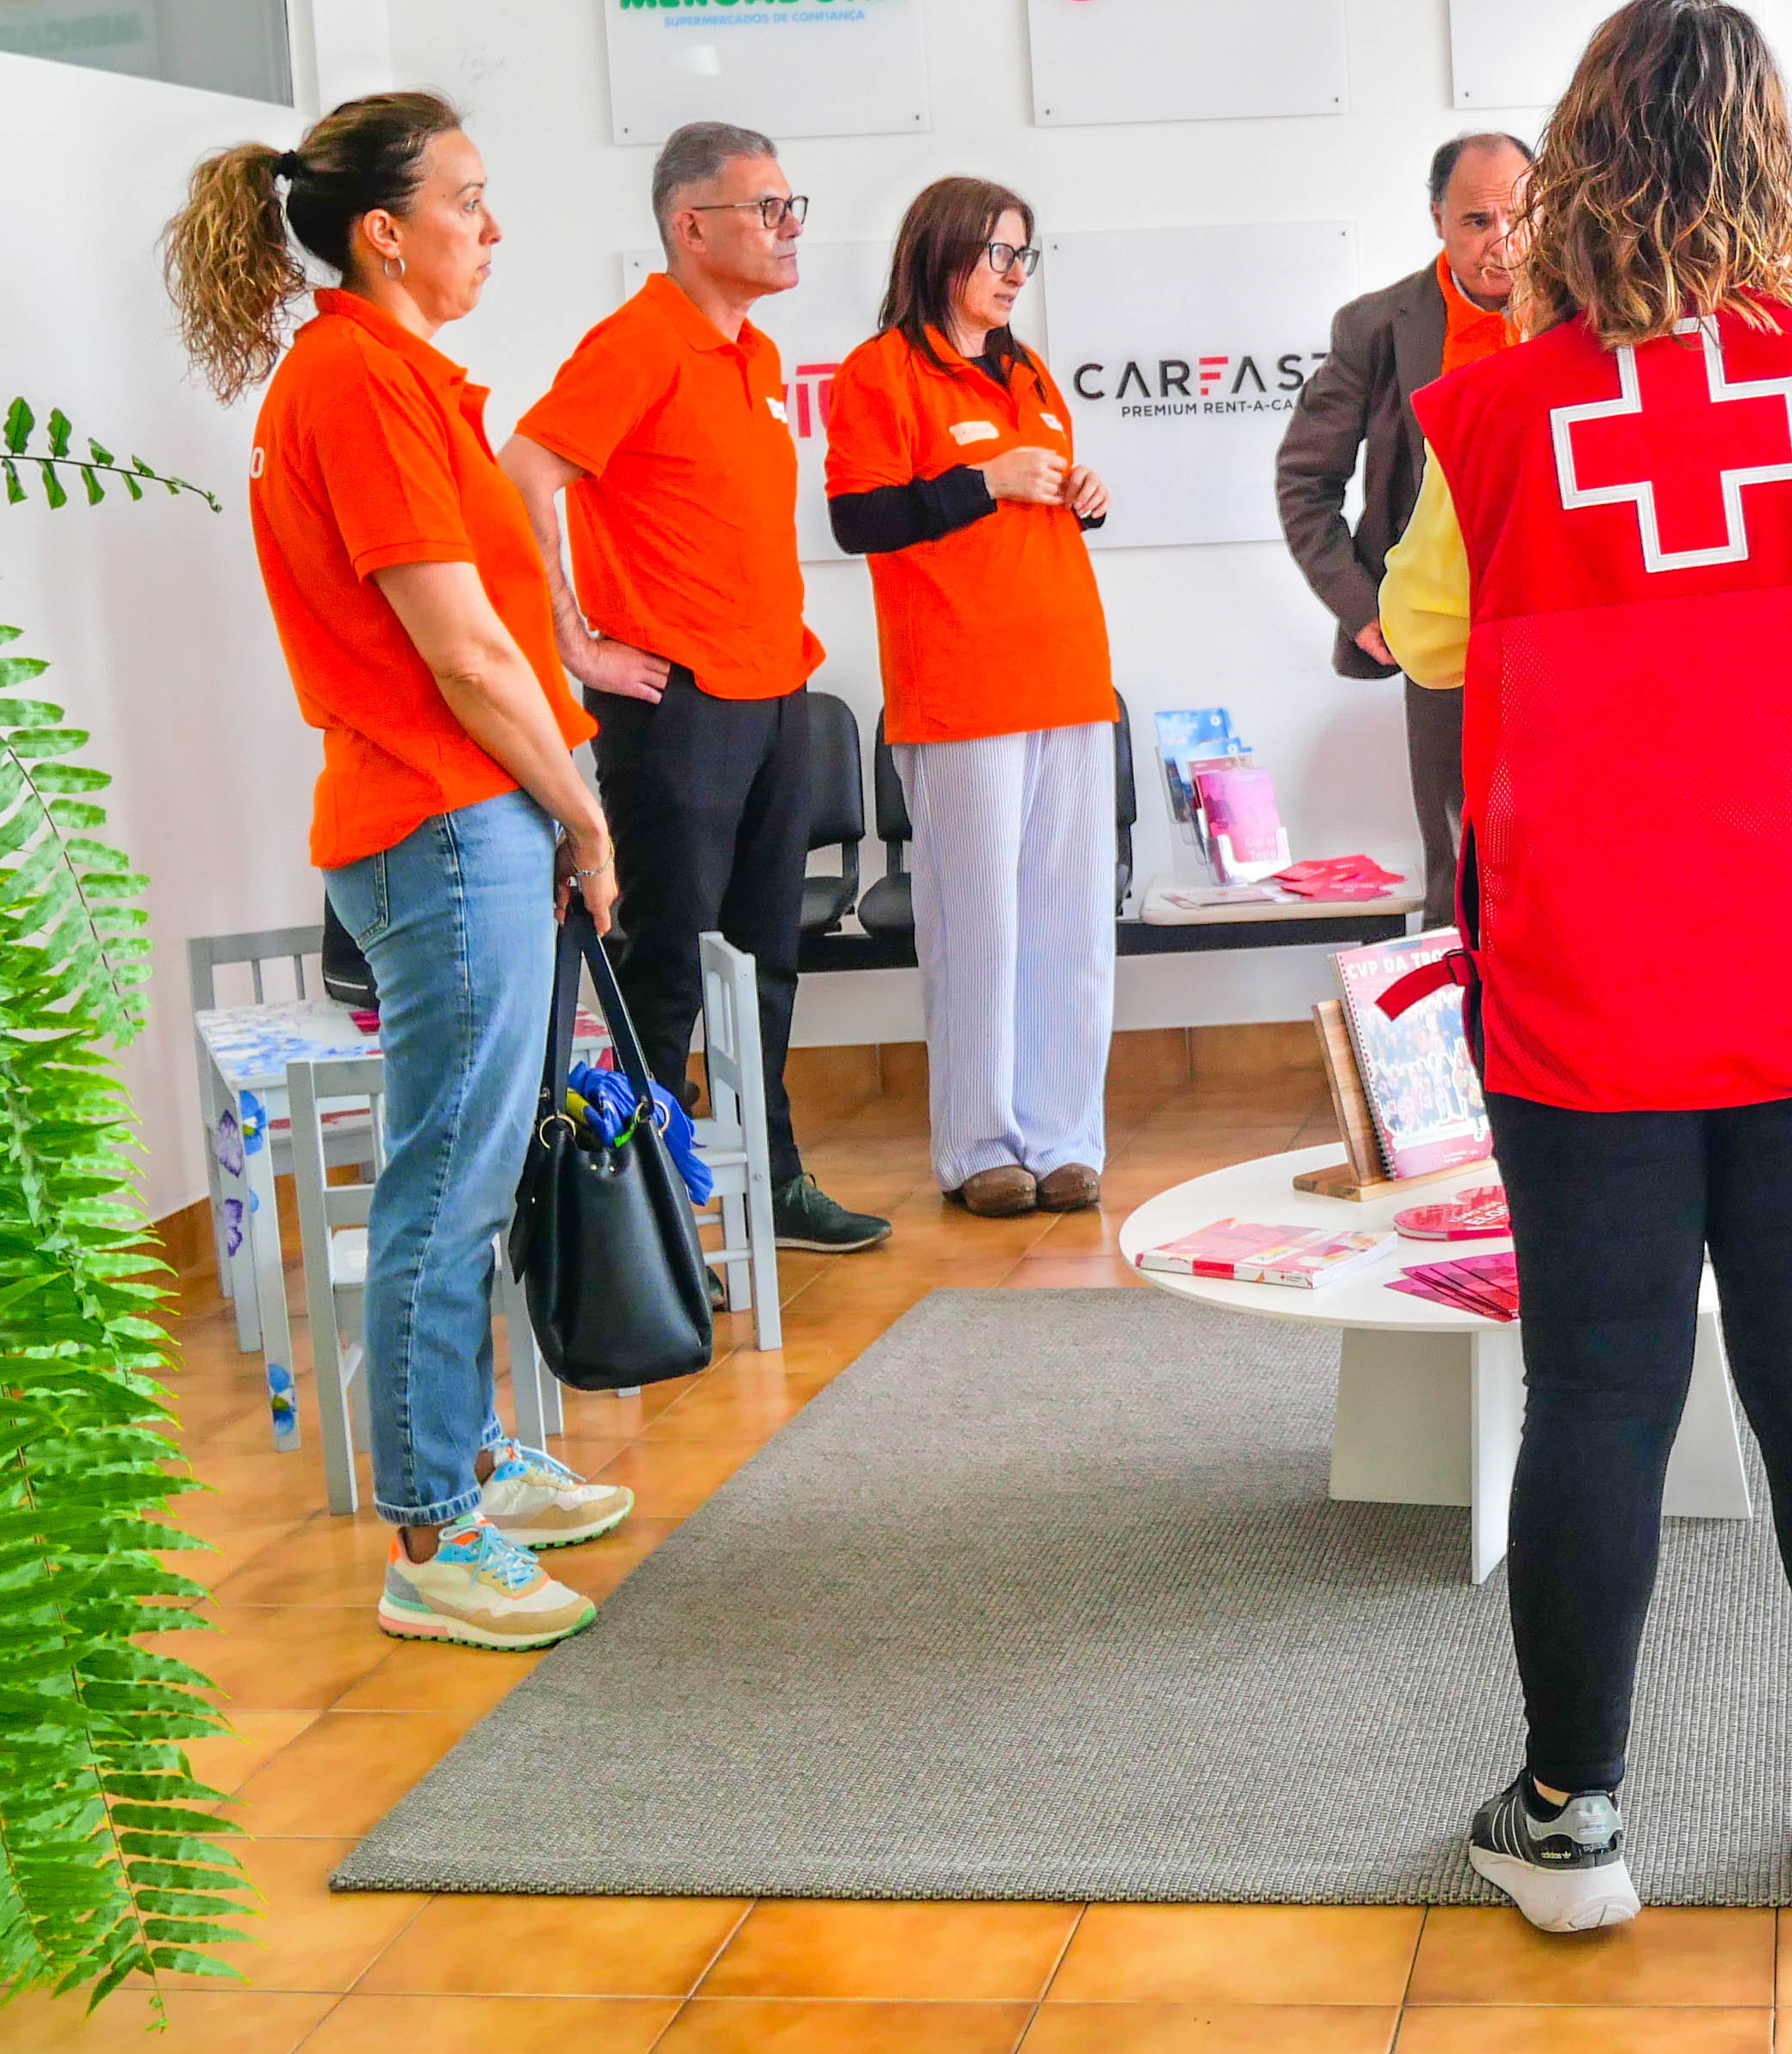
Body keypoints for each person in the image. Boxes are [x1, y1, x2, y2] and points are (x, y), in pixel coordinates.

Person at [1383, 0, 1792, 1933]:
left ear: (1577, 160)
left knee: (1596, 1392)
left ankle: (1570, 1820)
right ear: (1764, 165)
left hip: (1588, 973)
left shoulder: (1495, 408)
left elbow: (1423, 632)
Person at [162, 92, 638, 1650]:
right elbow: (467, 654)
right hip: (445, 818)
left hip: (460, 814)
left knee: (464, 1166)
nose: (492, 229)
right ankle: (430, 1533)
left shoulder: (386, 375)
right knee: (446, 1178)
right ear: (383, 232)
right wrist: (580, 814)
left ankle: (471, 1459)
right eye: (467, 201)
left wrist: (552, 805)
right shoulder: (360, 387)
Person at [500, 121, 889, 1261]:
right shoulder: (639, 342)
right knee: (666, 967)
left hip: (774, 695)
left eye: (791, 205)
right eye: (767, 208)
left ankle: (774, 1182)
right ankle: (650, 1223)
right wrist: (575, 643)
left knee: (767, 964)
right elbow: (523, 472)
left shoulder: (755, 356)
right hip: (677, 710)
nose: (789, 227)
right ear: (691, 225)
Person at [825, 180, 1117, 1220]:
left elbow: (1034, 508)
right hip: (959, 691)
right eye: (999, 252)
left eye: (1024, 255)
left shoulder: (1028, 370)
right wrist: (983, 482)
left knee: (1069, 927)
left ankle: (1064, 1136)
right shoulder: (879, 373)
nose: (1014, 274)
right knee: (977, 928)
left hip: (1069, 678)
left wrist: (1081, 497)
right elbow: (858, 519)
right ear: (941, 250)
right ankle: (979, 1146)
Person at [1276, 132, 1532, 894]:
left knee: (1579, 849)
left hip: (1565, 618)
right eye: (1477, 221)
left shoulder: (1594, 313)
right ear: (1437, 218)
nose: (1503, 242)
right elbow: (1305, 481)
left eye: (1520, 218)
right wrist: (1363, 608)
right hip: (1446, 628)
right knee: (1461, 862)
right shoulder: (1377, 328)